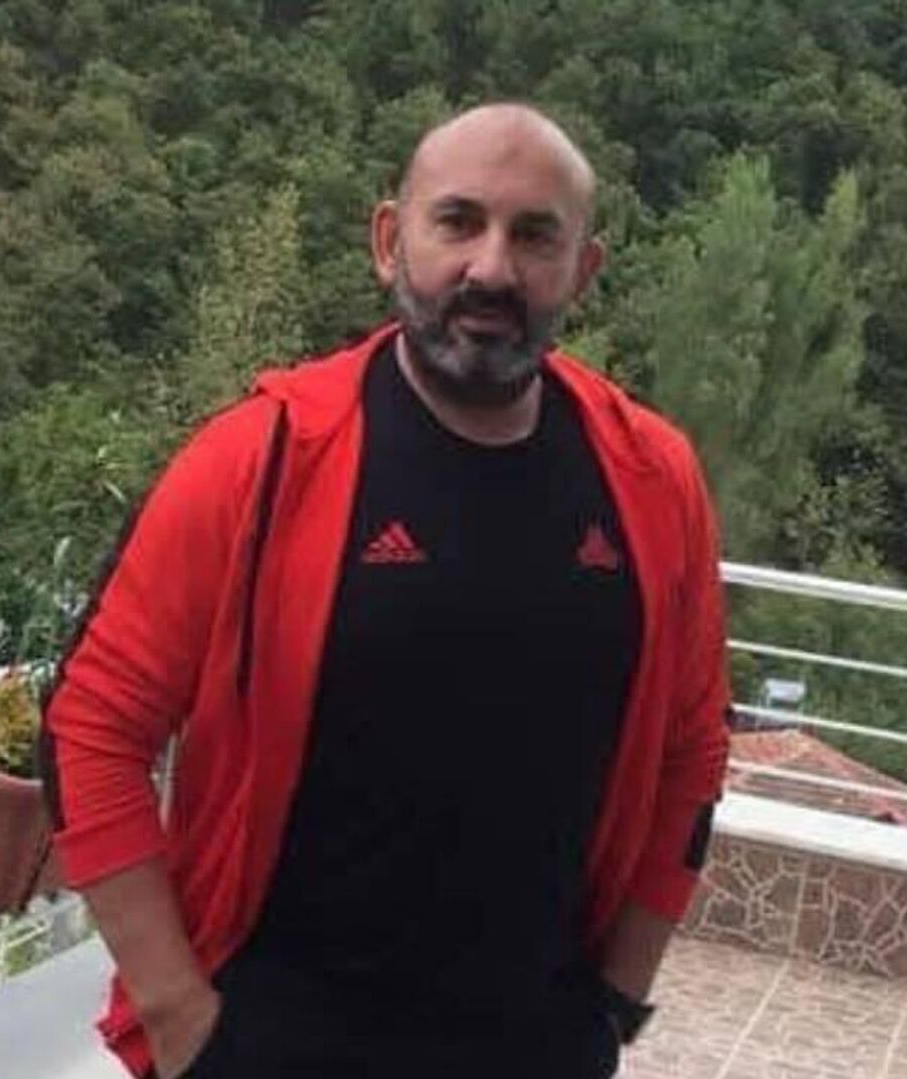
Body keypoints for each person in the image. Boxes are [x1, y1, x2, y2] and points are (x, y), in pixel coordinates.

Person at [40, 103, 731, 1079]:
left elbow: (692, 751)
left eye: (535, 236)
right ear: (388, 241)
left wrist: (618, 993)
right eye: (458, 221)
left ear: (583, 270)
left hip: (531, 1041)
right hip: (272, 1040)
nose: (491, 268)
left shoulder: (652, 480)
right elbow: (90, 724)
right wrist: (176, 1011)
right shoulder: (264, 458)